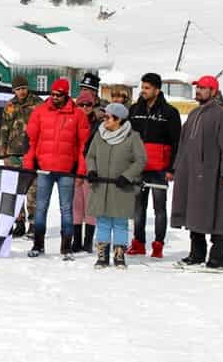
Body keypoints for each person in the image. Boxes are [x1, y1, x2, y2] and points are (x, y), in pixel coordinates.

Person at [170, 75, 223, 269]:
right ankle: (197, 253)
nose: (198, 91)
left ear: (213, 91)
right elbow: (183, 144)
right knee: (193, 212)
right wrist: (177, 167)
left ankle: (217, 257)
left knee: (216, 213)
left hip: (212, 175)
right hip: (191, 173)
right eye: (197, 87)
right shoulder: (193, 114)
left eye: (203, 88)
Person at [24, 78, 90, 260]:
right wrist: (30, 164)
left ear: (66, 94)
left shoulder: (78, 115)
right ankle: (38, 244)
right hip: (44, 169)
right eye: (52, 94)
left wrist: (81, 171)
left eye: (58, 95)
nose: (54, 97)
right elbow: (31, 140)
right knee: (40, 208)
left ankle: (66, 247)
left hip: (66, 171)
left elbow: (83, 146)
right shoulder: (39, 112)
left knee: (66, 209)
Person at [85, 103, 147, 269]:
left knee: (120, 222)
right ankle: (102, 255)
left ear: (118, 119)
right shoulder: (99, 135)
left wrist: (127, 176)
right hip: (101, 187)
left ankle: (119, 256)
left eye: (108, 117)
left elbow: (141, 160)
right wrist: (92, 170)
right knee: (103, 221)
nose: (104, 120)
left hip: (121, 188)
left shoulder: (133, 137)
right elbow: (90, 156)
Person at [127, 72, 181, 259]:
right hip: (138, 167)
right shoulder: (134, 110)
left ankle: (158, 244)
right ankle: (138, 242)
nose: (143, 91)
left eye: (147, 88)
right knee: (138, 208)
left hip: (160, 169)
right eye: (142, 87)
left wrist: (171, 168)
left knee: (159, 208)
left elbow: (176, 142)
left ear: (157, 90)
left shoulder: (170, 113)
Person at [0, 75, 42, 237]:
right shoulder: (10, 105)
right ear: (13, 90)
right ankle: (19, 222)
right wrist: (3, 153)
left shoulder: (38, 103)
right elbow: (4, 128)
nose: (21, 92)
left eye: (23, 88)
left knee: (32, 190)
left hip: (31, 153)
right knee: (14, 190)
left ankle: (33, 223)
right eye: (18, 89)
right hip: (12, 153)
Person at [72, 90, 99, 254]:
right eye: (81, 104)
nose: (85, 107)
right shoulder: (71, 120)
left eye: (88, 104)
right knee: (76, 205)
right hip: (75, 166)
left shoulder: (99, 124)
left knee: (90, 206)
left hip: (91, 167)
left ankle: (88, 241)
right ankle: (76, 240)